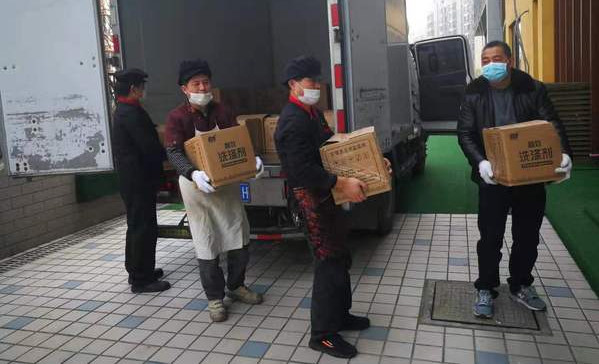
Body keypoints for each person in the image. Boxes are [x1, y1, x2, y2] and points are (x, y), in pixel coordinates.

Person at [275, 56, 392, 359]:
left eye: (318, 80)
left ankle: (340, 315)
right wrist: (339, 183)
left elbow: (334, 148)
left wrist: (373, 163)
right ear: (293, 85)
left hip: (327, 198)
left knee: (340, 256)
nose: (317, 86)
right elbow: (302, 170)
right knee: (327, 263)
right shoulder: (291, 121)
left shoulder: (312, 114)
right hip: (310, 201)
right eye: (311, 81)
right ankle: (323, 334)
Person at [457, 41, 573, 319]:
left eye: (496, 58)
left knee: (527, 235)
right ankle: (486, 288)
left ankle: (521, 284)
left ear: (509, 61)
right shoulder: (473, 93)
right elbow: (465, 133)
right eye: (485, 60)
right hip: (493, 175)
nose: (490, 64)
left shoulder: (531, 88)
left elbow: (551, 123)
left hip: (528, 174)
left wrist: (564, 153)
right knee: (490, 236)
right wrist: (480, 162)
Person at [164, 59, 265, 322]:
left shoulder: (223, 111)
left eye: (206, 82)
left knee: (239, 236)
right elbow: (173, 152)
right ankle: (215, 298)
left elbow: (237, 141)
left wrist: (252, 159)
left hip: (227, 187)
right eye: (196, 83)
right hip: (197, 189)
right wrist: (192, 173)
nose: (202, 87)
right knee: (207, 243)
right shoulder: (177, 117)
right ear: (184, 89)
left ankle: (236, 285)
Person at [112, 68, 170, 294]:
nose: (144, 90)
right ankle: (141, 280)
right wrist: (169, 155)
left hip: (134, 180)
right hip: (138, 181)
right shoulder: (130, 113)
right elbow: (149, 146)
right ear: (134, 88)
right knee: (143, 227)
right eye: (142, 86)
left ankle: (137, 270)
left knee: (137, 225)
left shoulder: (126, 109)